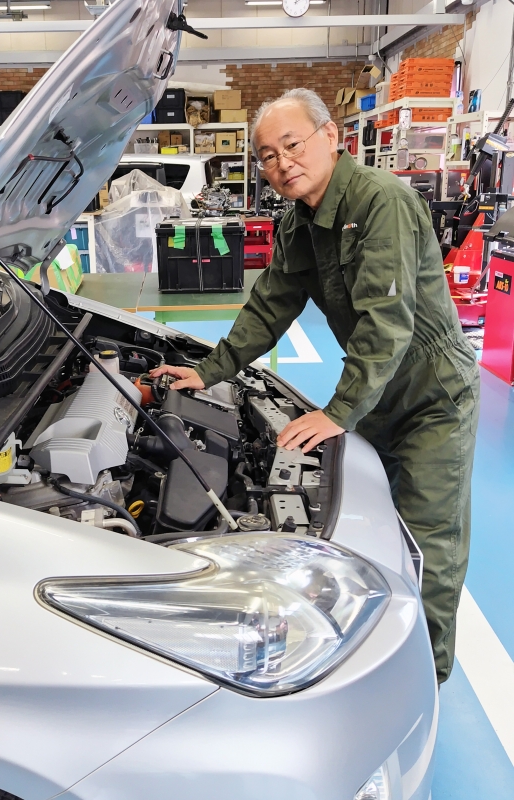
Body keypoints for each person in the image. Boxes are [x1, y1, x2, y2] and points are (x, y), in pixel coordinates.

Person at [150, 88, 480, 684]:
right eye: (268, 156)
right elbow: (272, 303)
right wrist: (211, 370)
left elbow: (386, 321)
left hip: (432, 394)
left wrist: (340, 410)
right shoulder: (298, 221)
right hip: (378, 387)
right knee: (377, 531)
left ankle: (427, 676)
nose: (282, 163)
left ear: (331, 137)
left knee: (429, 535)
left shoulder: (381, 201)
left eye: (292, 145)